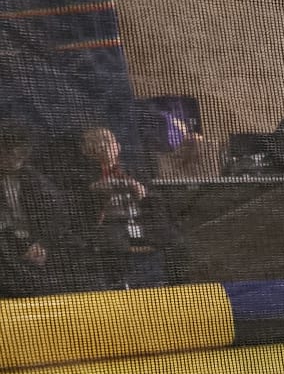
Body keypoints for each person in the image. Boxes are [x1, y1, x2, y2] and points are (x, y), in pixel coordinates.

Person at [73, 126, 181, 288]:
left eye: (108, 141)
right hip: (109, 233)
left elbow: (158, 205)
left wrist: (142, 194)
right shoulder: (80, 175)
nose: (103, 146)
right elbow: (78, 209)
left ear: (118, 146)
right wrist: (95, 193)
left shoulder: (135, 171)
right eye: (96, 142)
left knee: (176, 244)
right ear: (85, 150)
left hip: (143, 227)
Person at [0, 128, 71, 297]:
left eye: (18, 155)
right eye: (6, 154)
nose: (11, 160)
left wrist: (43, 244)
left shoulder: (36, 181)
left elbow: (59, 218)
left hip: (32, 240)